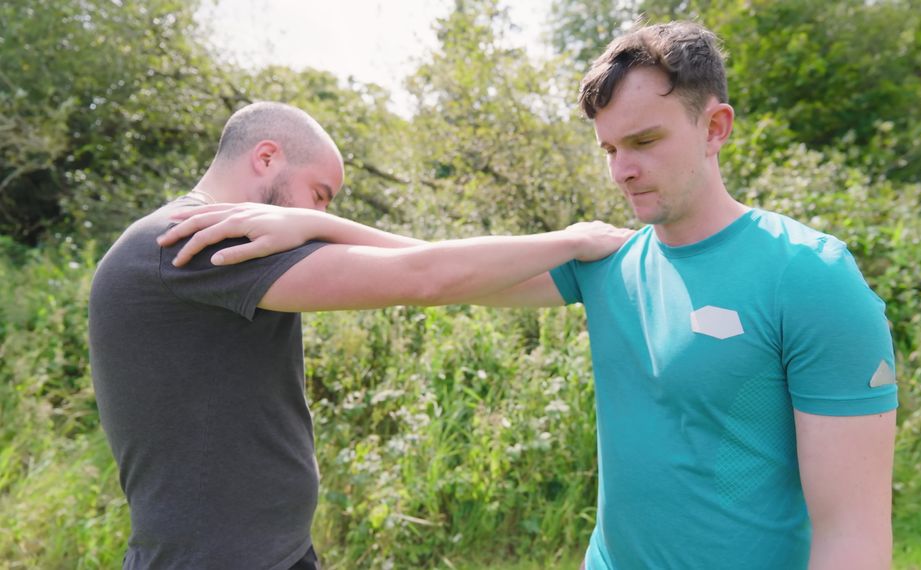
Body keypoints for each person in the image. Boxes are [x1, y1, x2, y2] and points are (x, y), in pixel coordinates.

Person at [162, 21, 898, 570]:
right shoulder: (608, 261)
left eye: (643, 142)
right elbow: (431, 271)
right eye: (609, 149)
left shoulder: (809, 277)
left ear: (716, 127)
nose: (622, 171)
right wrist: (309, 223)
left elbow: (853, 533)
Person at [88, 101, 631, 570]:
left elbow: (421, 262)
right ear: (267, 158)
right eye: (320, 195)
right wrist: (574, 239)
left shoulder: (212, 236)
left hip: (267, 551)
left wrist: (320, 223)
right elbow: (422, 277)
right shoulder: (196, 240)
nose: (321, 212)